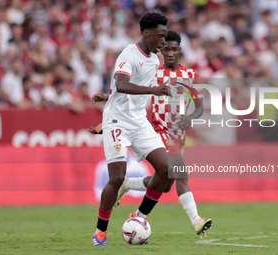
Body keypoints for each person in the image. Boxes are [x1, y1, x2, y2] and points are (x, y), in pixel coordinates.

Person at [89, 31, 212, 238]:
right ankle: (196, 221)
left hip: (177, 134)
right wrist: (109, 101)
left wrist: (191, 118)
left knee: (166, 184)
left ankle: (128, 185)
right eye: (166, 49)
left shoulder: (191, 75)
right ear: (161, 50)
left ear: (180, 50)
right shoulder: (156, 70)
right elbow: (130, 88)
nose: (170, 53)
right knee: (179, 172)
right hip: (156, 129)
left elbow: (199, 107)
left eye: (173, 49)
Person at [91, 12, 171, 246]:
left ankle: (139, 217)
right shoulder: (128, 54)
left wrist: (109, 96)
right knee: (115, 177)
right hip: (117, 121)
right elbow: (123, 84)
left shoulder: (155, 59)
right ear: (147, 33)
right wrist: (153, 91)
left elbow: (128, 88)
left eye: (165, 36)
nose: (164, 41)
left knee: (167, 170)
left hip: (138, 121)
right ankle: (100, 233)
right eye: (160, 35)